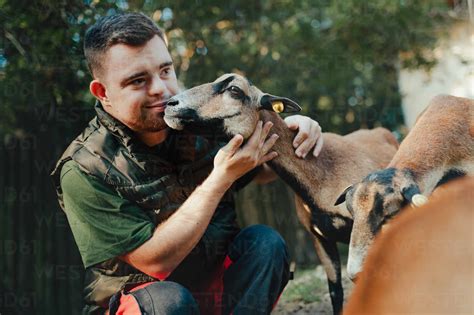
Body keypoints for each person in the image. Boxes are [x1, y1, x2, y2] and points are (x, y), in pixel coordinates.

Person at [51, 12, 324, 315]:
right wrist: (219, 179)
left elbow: (260, 165)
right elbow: (155, 263)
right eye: (138, 80)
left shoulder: (198, 120)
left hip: (210, 289)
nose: (161, 89)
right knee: (168, 302)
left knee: (265, 244)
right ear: (103, 93)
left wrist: (295, 132)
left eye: (165, 71)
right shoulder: (84, 168)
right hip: (144, 300)